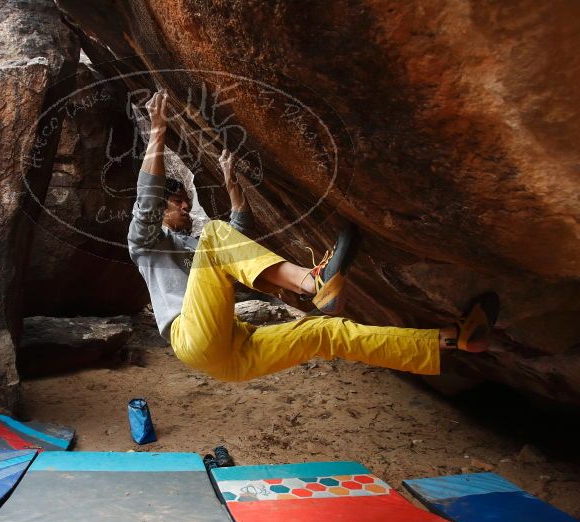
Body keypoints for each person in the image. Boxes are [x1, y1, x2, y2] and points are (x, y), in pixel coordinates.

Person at [127, 90, 499, 382]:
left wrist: (232, 186)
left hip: (233, 352)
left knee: (327, 333)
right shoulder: (145, 243)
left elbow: (239, 237)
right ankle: (313, 281)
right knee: (214, 236)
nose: (185, 206)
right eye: (177, 201)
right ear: (162, 208)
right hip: (191, 340)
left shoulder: (195, 246)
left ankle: (452, 339)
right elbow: (148, 201)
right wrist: (158, 132)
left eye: (186, 200)